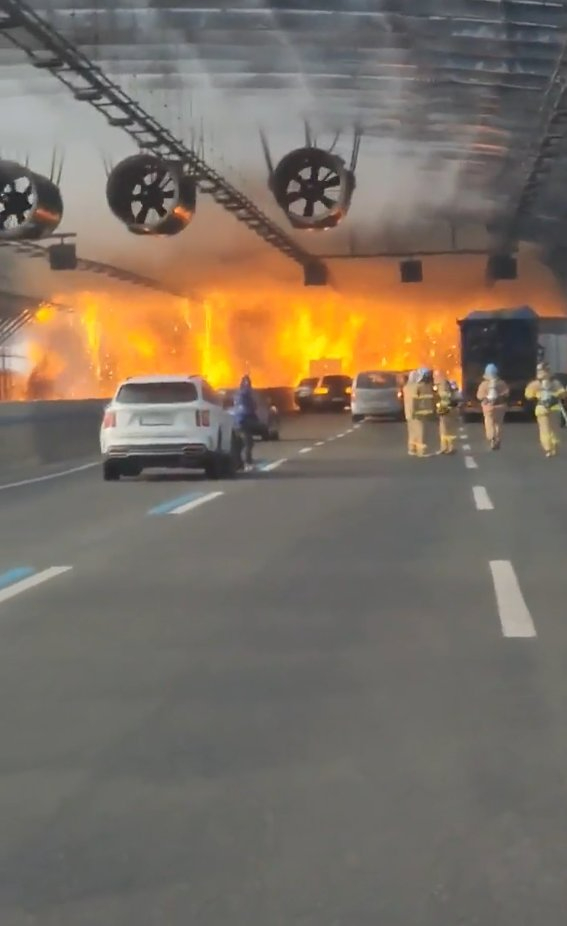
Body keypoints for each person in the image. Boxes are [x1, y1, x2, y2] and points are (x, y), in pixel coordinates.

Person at [525, 362, 567, 457]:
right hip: (554, 408)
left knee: (544, 429)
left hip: (541, 408)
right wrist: (556, 395)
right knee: (554, 428)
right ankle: (554, 442)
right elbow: (563, 394)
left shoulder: (535, 384)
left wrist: (535, 395)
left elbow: (528, 395)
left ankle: (548, 448)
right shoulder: (555, 383)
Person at [476, 363, 509, 450]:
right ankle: (498, 437)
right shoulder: (501, 383)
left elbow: (479, 396)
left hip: (488, 407)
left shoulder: (483, 384)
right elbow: (506, 393)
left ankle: (491, 437)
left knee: (489, 422)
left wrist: (485, 399)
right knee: (498, 423)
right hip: (500, 406)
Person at [233, 374, 257, 470]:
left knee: (240, 444)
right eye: (247, 383)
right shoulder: (245, 394)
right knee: (248, 442)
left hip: (238, 421)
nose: (249, 385)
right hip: (243, 421)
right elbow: (252, 407)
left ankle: (238, 464)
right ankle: (247, 463)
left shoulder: (238, 394)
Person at [411, 367, 437, 457]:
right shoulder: (418, 387)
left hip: (426, 412)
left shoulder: (428, 386)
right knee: (421, 432)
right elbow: (414, 401)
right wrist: (413, 411)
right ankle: (422, 452)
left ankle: (419, 450)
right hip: (420, 413)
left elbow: (432, 400)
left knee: (424, 431)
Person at [433, 371, 460, 454]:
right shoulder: (445, 384)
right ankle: (445, 447)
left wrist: (441, 409)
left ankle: (449, 447)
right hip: (448, 409)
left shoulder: (442, 385)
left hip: (446, 410)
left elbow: (444, 399)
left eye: (435, 377)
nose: (434, 378)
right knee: (444, 429)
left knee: (446, 429)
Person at [402, 370, 419, 455]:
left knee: (411, 431)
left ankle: (412, 448)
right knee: (417, 430)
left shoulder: (406, 387)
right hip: (415, 412)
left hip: (408, 412)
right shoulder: (415, 387)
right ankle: (417, 448)